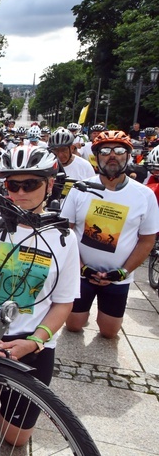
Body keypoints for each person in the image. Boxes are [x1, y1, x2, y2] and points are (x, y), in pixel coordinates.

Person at [0, 145, 79, 447]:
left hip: (31, 341)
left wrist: (35, 341)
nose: (21, 192)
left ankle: (7, 405)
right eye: (12, 184)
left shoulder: (64, 238)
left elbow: (64, 302)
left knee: (16, 439)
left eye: (30, 184)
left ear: (49, 185)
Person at [63, 130, 159, 339]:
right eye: (105, 151)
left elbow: (147, 240)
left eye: (119, 150)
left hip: (118, 276)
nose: (112, 155)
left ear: (128, 155)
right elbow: (66, 231)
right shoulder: (81, 189)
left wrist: (123, 272)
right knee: (73, 326)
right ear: (97, 157)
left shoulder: (144, 195)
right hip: (81, 273)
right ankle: (82, 310)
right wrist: (81, 268)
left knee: (109, 332)